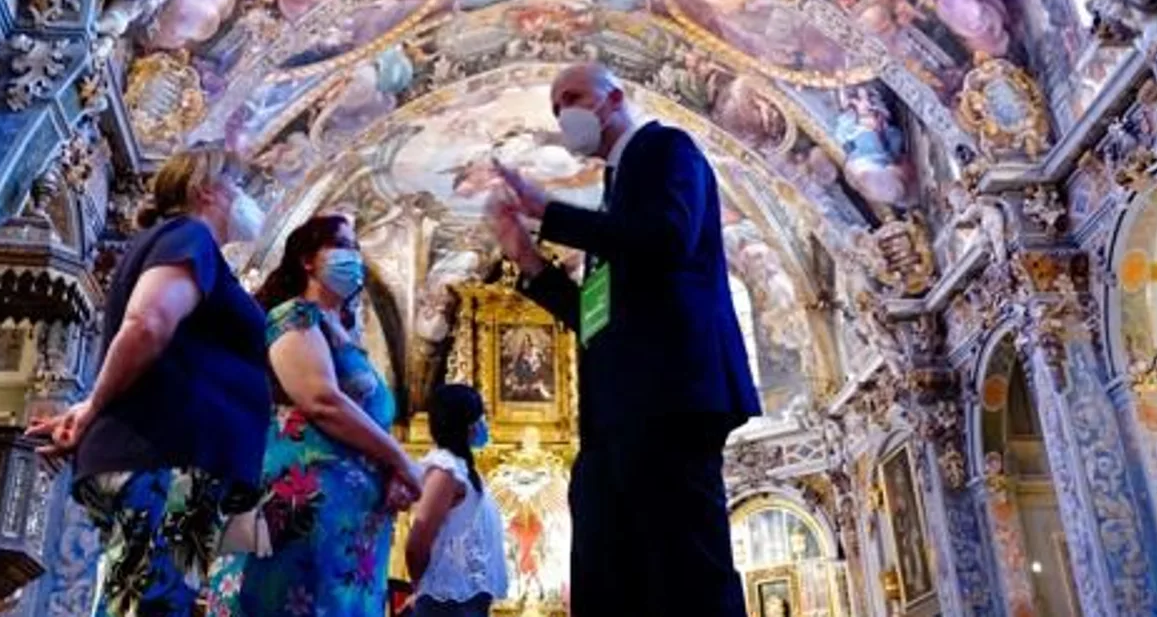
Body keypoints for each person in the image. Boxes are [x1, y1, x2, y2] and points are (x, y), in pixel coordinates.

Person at [485, 63, 759, 617]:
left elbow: (669, 239)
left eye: (573, 96)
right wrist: (528, 260)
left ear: (614, 98)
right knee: (610, 576)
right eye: (556, 106)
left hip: (671, 401)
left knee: (684, 576)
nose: (564, 113)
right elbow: (597, 320)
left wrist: (549, 211)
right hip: (619, 414)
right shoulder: (615, 193)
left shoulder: (664, 148)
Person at [28, 146, 272, 617]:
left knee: (150, 600)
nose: (245, 197)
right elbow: (148, 323)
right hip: (168, 459)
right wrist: (95, 406)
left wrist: (89, 406)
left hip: (172, 459)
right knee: (149, 603)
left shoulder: (184, 244)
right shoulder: (190, 236)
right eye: (237, 184)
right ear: (207, 191)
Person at [211, 214, 422, 617]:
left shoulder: (345, 336)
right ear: (309, 259)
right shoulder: (295, 316)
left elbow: (366, 420)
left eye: (358, 248)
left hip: (350, 520)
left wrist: (389, 471)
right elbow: (320, 399)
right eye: (343, 245)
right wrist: (399, 459)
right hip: (304, 504)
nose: (355, 256)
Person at [405, 384, 508, 617]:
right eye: (481, 417)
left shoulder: (463, 470)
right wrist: (424, 587)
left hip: (469, 601)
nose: (484, 424)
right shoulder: (445, 471)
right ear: (468, 425)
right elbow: (417, 543)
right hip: (446, 604)